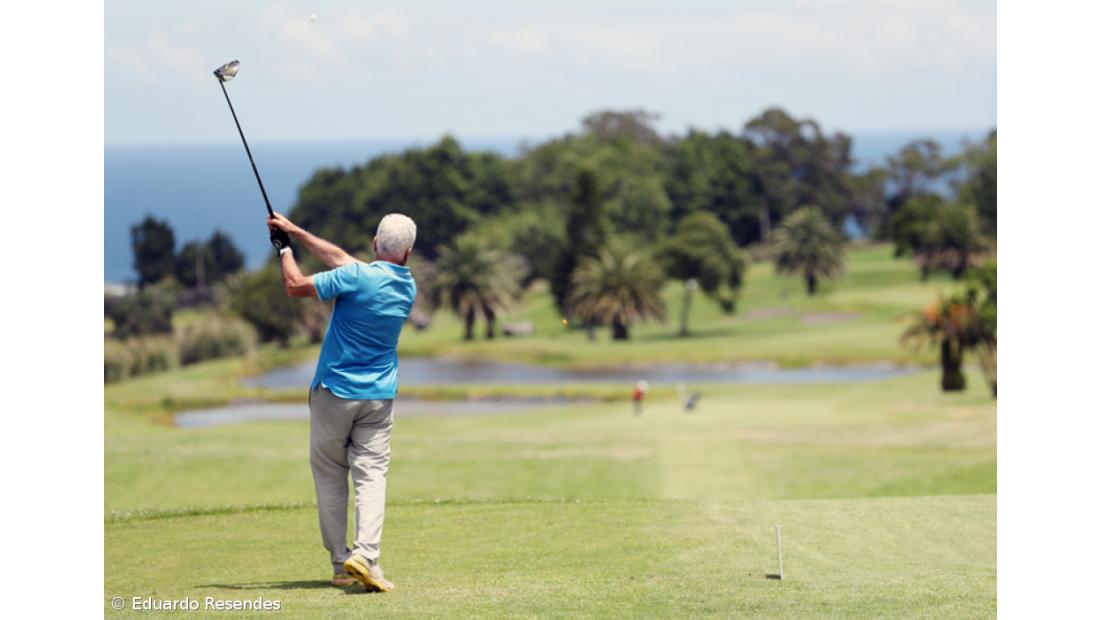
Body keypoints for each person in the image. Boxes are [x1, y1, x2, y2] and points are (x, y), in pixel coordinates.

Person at [268, 211, 417, 593]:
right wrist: (296, 230)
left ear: (374, 244)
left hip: (334, 393)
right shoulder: (406, 286)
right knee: (371, 476)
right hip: (378, 399)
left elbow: (295, 285)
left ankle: (340, 563)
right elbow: (340, 259)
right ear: (408, 253)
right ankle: (365, 556)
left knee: (332, 477)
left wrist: (284, 249)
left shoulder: (356, 278)